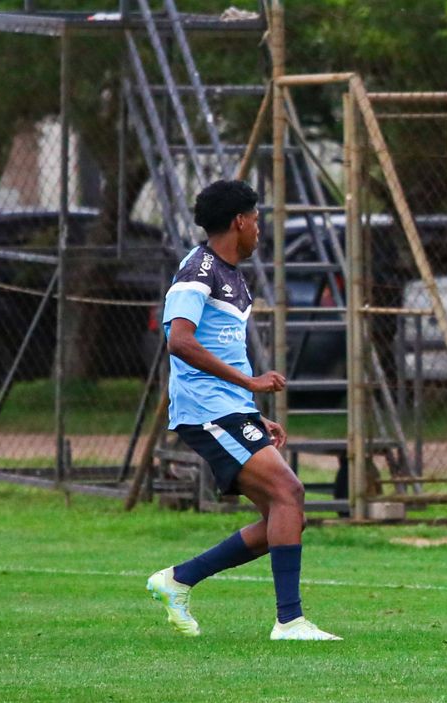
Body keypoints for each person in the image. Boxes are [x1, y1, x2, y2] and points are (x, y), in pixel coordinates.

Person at [145, 179, 341, 641]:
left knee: (285, 511)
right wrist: (249, 383)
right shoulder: (199, 270)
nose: (259, 228)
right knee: (290, 493)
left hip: (230, 409)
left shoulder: (232, 275)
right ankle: (289, 621)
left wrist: (251, 410)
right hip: (205, 410)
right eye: (256, 219)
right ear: (239, 221)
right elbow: (180, 340)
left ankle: (179, 579)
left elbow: (221, 348)